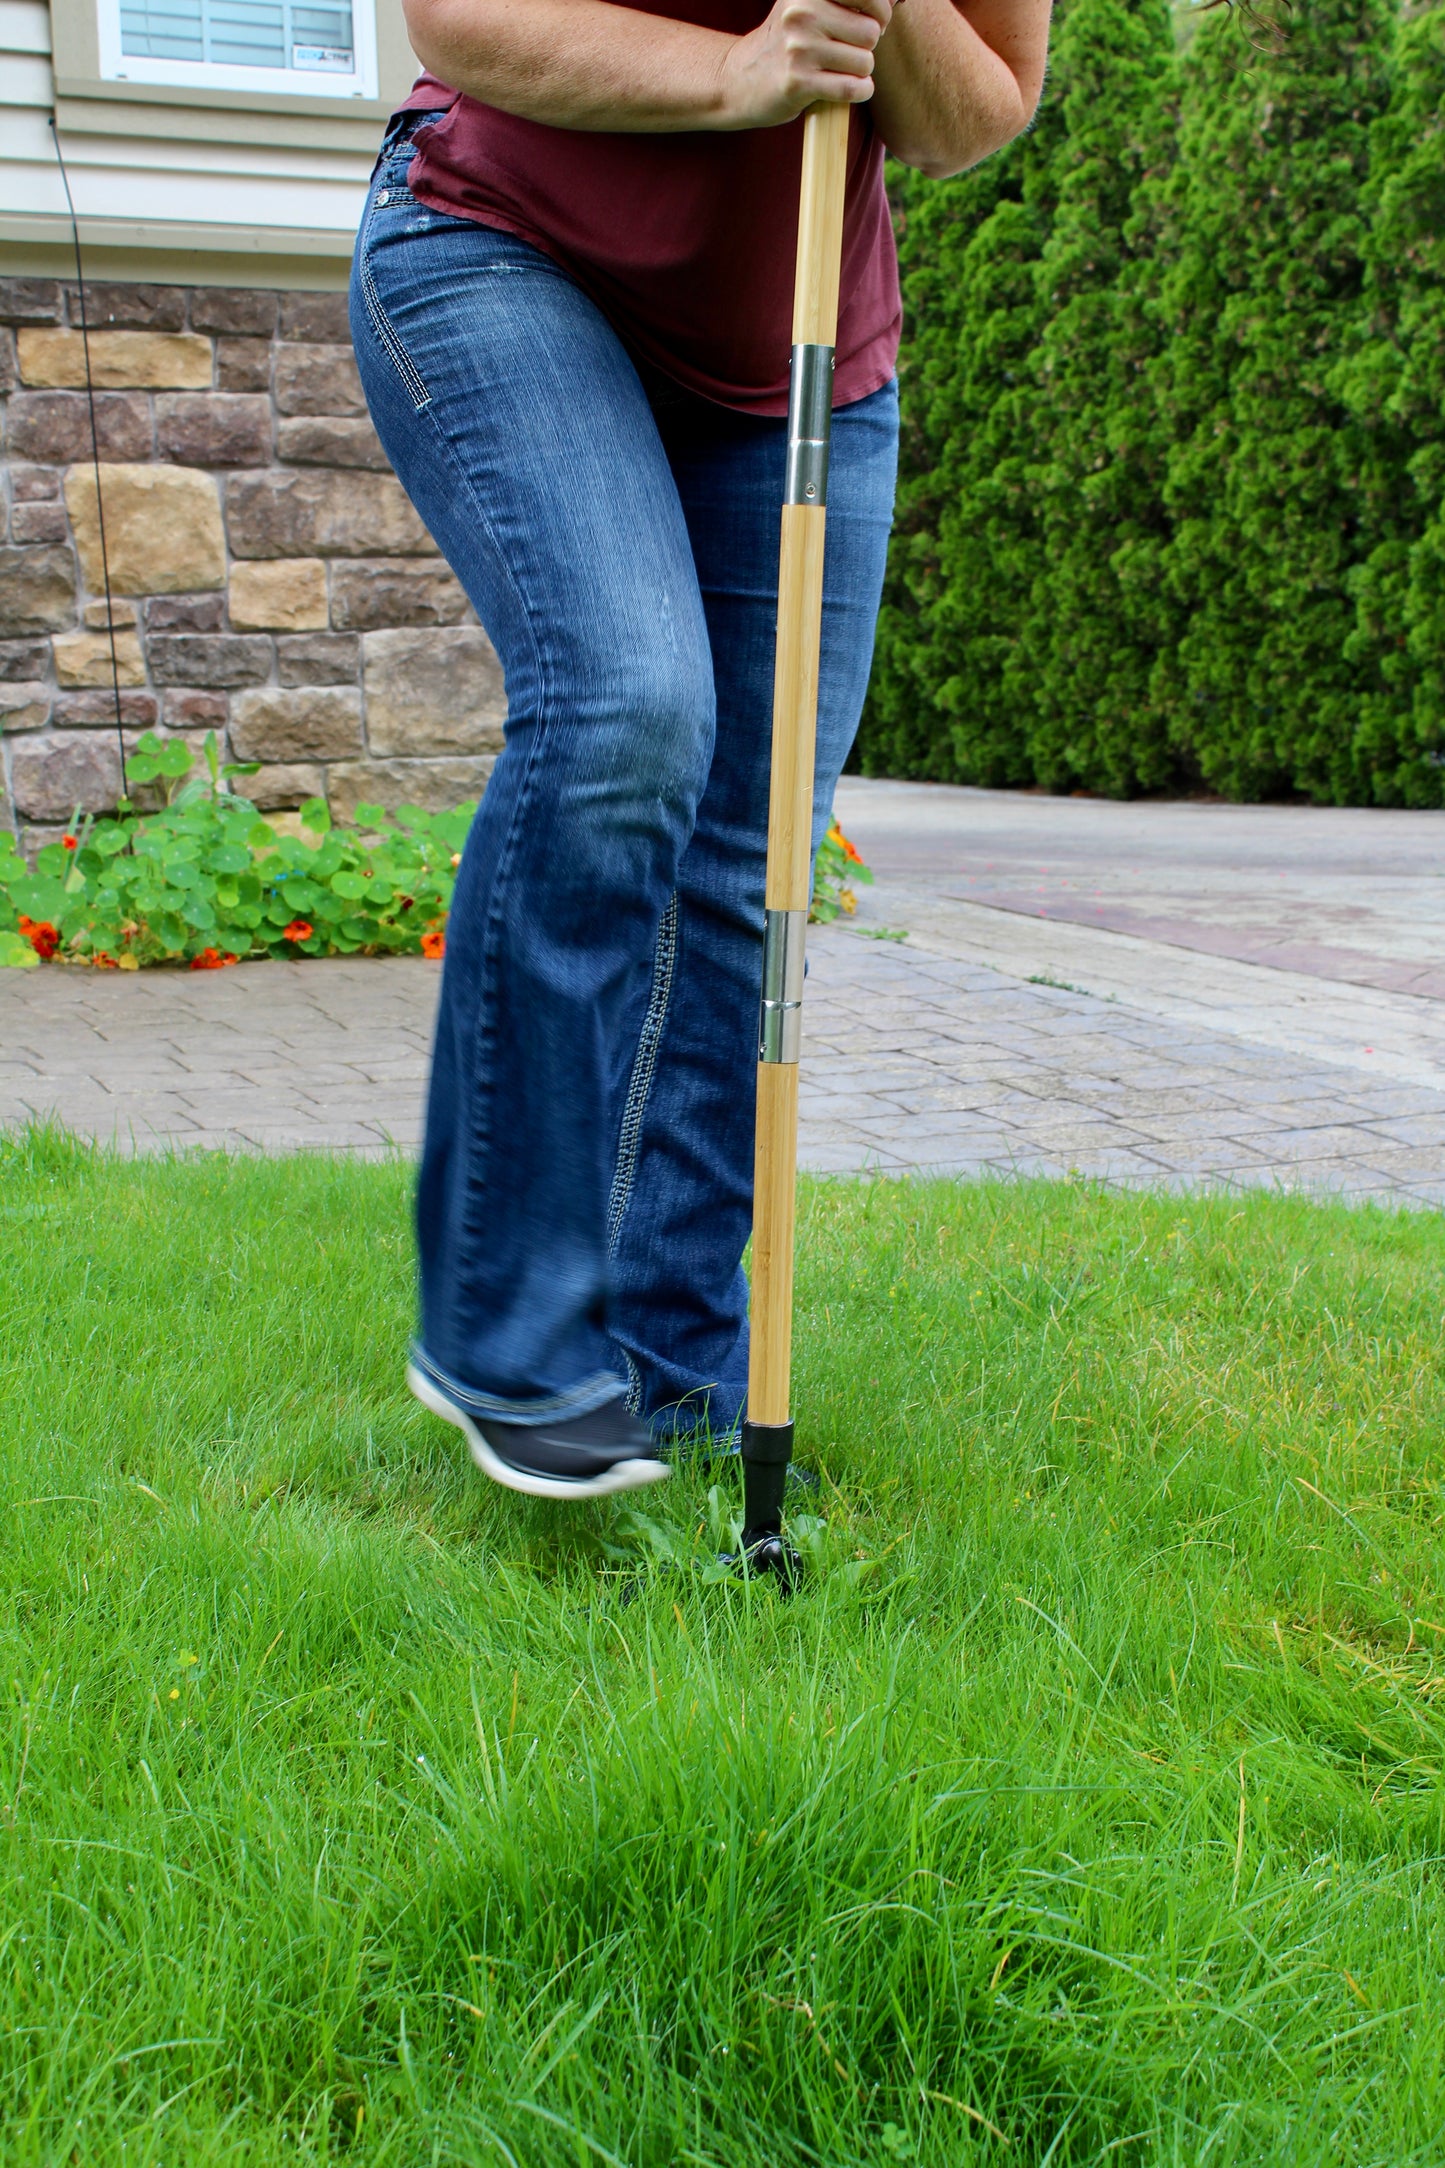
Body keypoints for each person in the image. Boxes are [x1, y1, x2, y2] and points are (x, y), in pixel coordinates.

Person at [350, 0, 1052, 1499]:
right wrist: (738, 73)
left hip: (800, 363)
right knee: (625, 713)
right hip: (502, 252)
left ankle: (675, 1380)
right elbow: (459, 22)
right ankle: (510, 1333)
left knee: (746, 863)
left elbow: (972, 112)